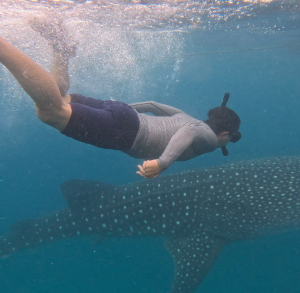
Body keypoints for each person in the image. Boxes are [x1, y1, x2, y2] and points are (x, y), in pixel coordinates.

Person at [0, 18, 241, 179]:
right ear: (226, 135)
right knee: (50, 110)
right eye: (229, 140)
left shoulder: (184, 116)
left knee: (60, 96)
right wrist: (162, 163)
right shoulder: (209, 139)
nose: (225, 144)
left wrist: (120, 111)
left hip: (124, 116)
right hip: (126, 133)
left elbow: (152, 105)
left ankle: (61, 48)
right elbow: (189, 130)